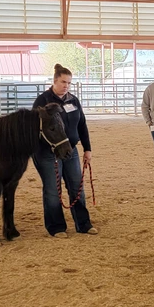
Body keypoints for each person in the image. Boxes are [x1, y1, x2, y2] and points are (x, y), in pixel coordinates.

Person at [32, 64, 96, 238]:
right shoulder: (42, 101)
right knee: (53, 189)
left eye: (69, 82)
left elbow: (82, 124)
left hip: (70, 150)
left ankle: (83, 224)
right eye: (63, 82)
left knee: (77, 187)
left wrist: (87, 148)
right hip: (48, 152)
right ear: (54, 81)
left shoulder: (73, 100)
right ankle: (56, 227)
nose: (66, 85)